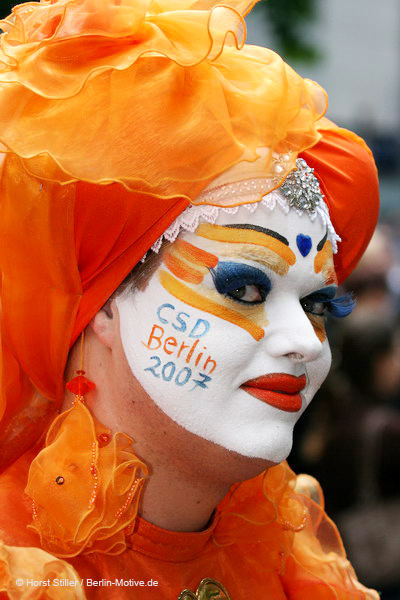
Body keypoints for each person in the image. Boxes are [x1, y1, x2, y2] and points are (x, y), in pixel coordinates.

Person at [0, 0, 379, 598]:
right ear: (99, 301)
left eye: (318, 305)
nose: (306, 342)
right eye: (245, 289)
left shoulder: (291, 556)